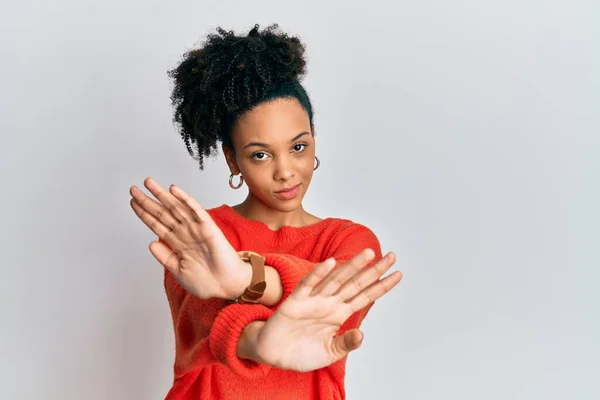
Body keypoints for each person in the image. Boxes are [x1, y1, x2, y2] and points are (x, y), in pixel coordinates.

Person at [129, 23, 403, 400]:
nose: (286, 171)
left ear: (313, 139)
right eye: (260, 154)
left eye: (298, 147)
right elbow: (202, 323)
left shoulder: (348, 241)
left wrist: (241, 279)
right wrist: (258, 343)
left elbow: (334, 293)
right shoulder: (202, 234)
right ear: (232, 159)